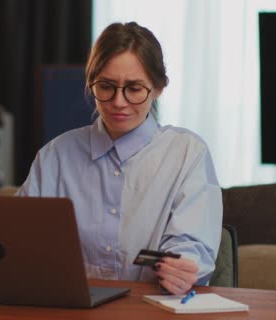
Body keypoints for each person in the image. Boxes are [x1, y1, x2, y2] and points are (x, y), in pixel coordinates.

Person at [17, 22, 222, 295]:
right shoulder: (56, 155)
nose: (119, 102)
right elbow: (18, 237)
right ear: (91, 84)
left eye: (134, 89)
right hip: (70, 308)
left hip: (153, 307)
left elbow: (190, 244)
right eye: (106, 86)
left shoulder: (187, 153)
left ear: (159, 87)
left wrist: (181, 267)